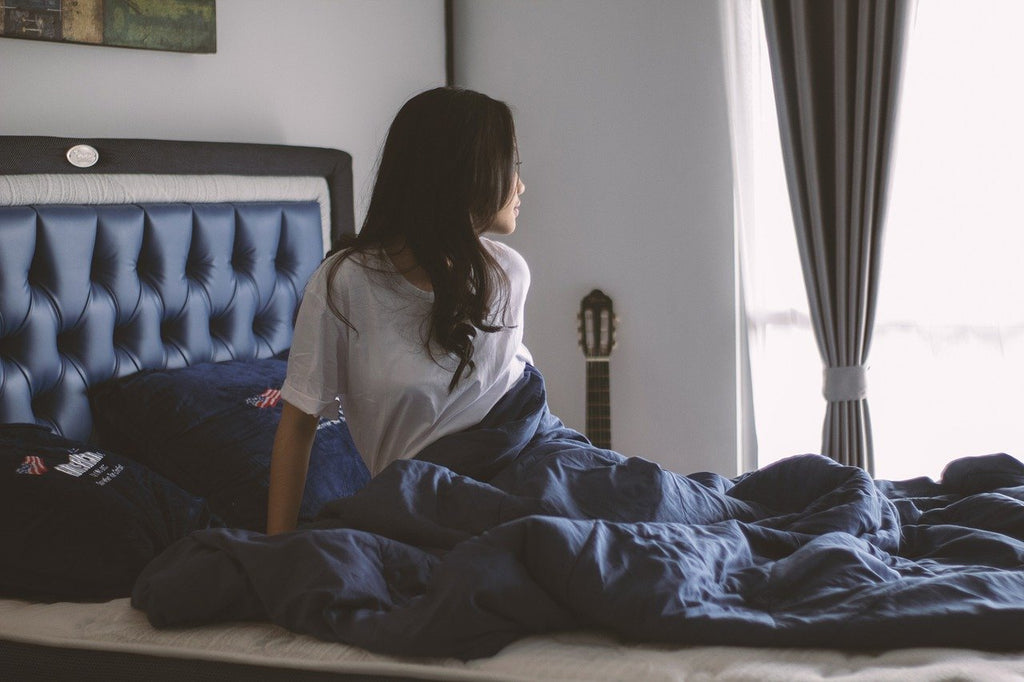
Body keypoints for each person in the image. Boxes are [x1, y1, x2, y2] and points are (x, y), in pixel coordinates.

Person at [267, 87, 530, 534]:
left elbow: (512, 403)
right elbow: (297, 425)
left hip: (530, 468)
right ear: (464, 172)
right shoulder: (344, 284)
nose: (521, 185)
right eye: (512, 168)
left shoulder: (507, 273)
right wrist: (275, 551)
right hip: (424, 505)